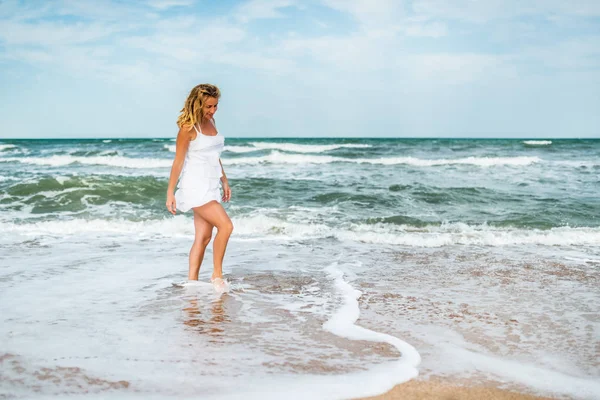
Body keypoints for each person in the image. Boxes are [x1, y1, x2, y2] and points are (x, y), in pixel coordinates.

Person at [166, 84, 233, 292]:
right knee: (226, 226)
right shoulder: (188, 128)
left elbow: (214, 155)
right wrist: (170, 192)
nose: (212, 111)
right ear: (198, 104)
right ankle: (217, 274)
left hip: (211, 183)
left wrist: (224, 180)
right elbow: (178, 162)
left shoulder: (211, 121)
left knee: (203, 237)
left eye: (215, 106)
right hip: (195, 185)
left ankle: (192, 283)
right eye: (208, 107)